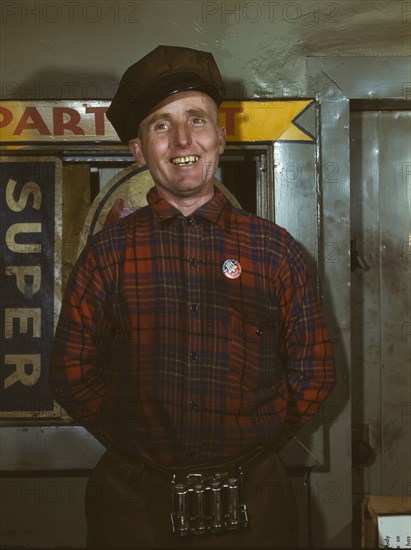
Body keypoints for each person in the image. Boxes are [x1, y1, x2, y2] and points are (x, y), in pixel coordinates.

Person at [49, 45, 336, 548]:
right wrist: (137, 445)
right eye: (160, 125)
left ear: (220, 136)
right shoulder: (107, 253)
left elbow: (315, 373)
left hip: (256, 505)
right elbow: (71, 375)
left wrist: (257, 436)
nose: (182, 139)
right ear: (139, 150)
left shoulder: (275, 251)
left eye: (196, 120)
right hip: (132, 508)